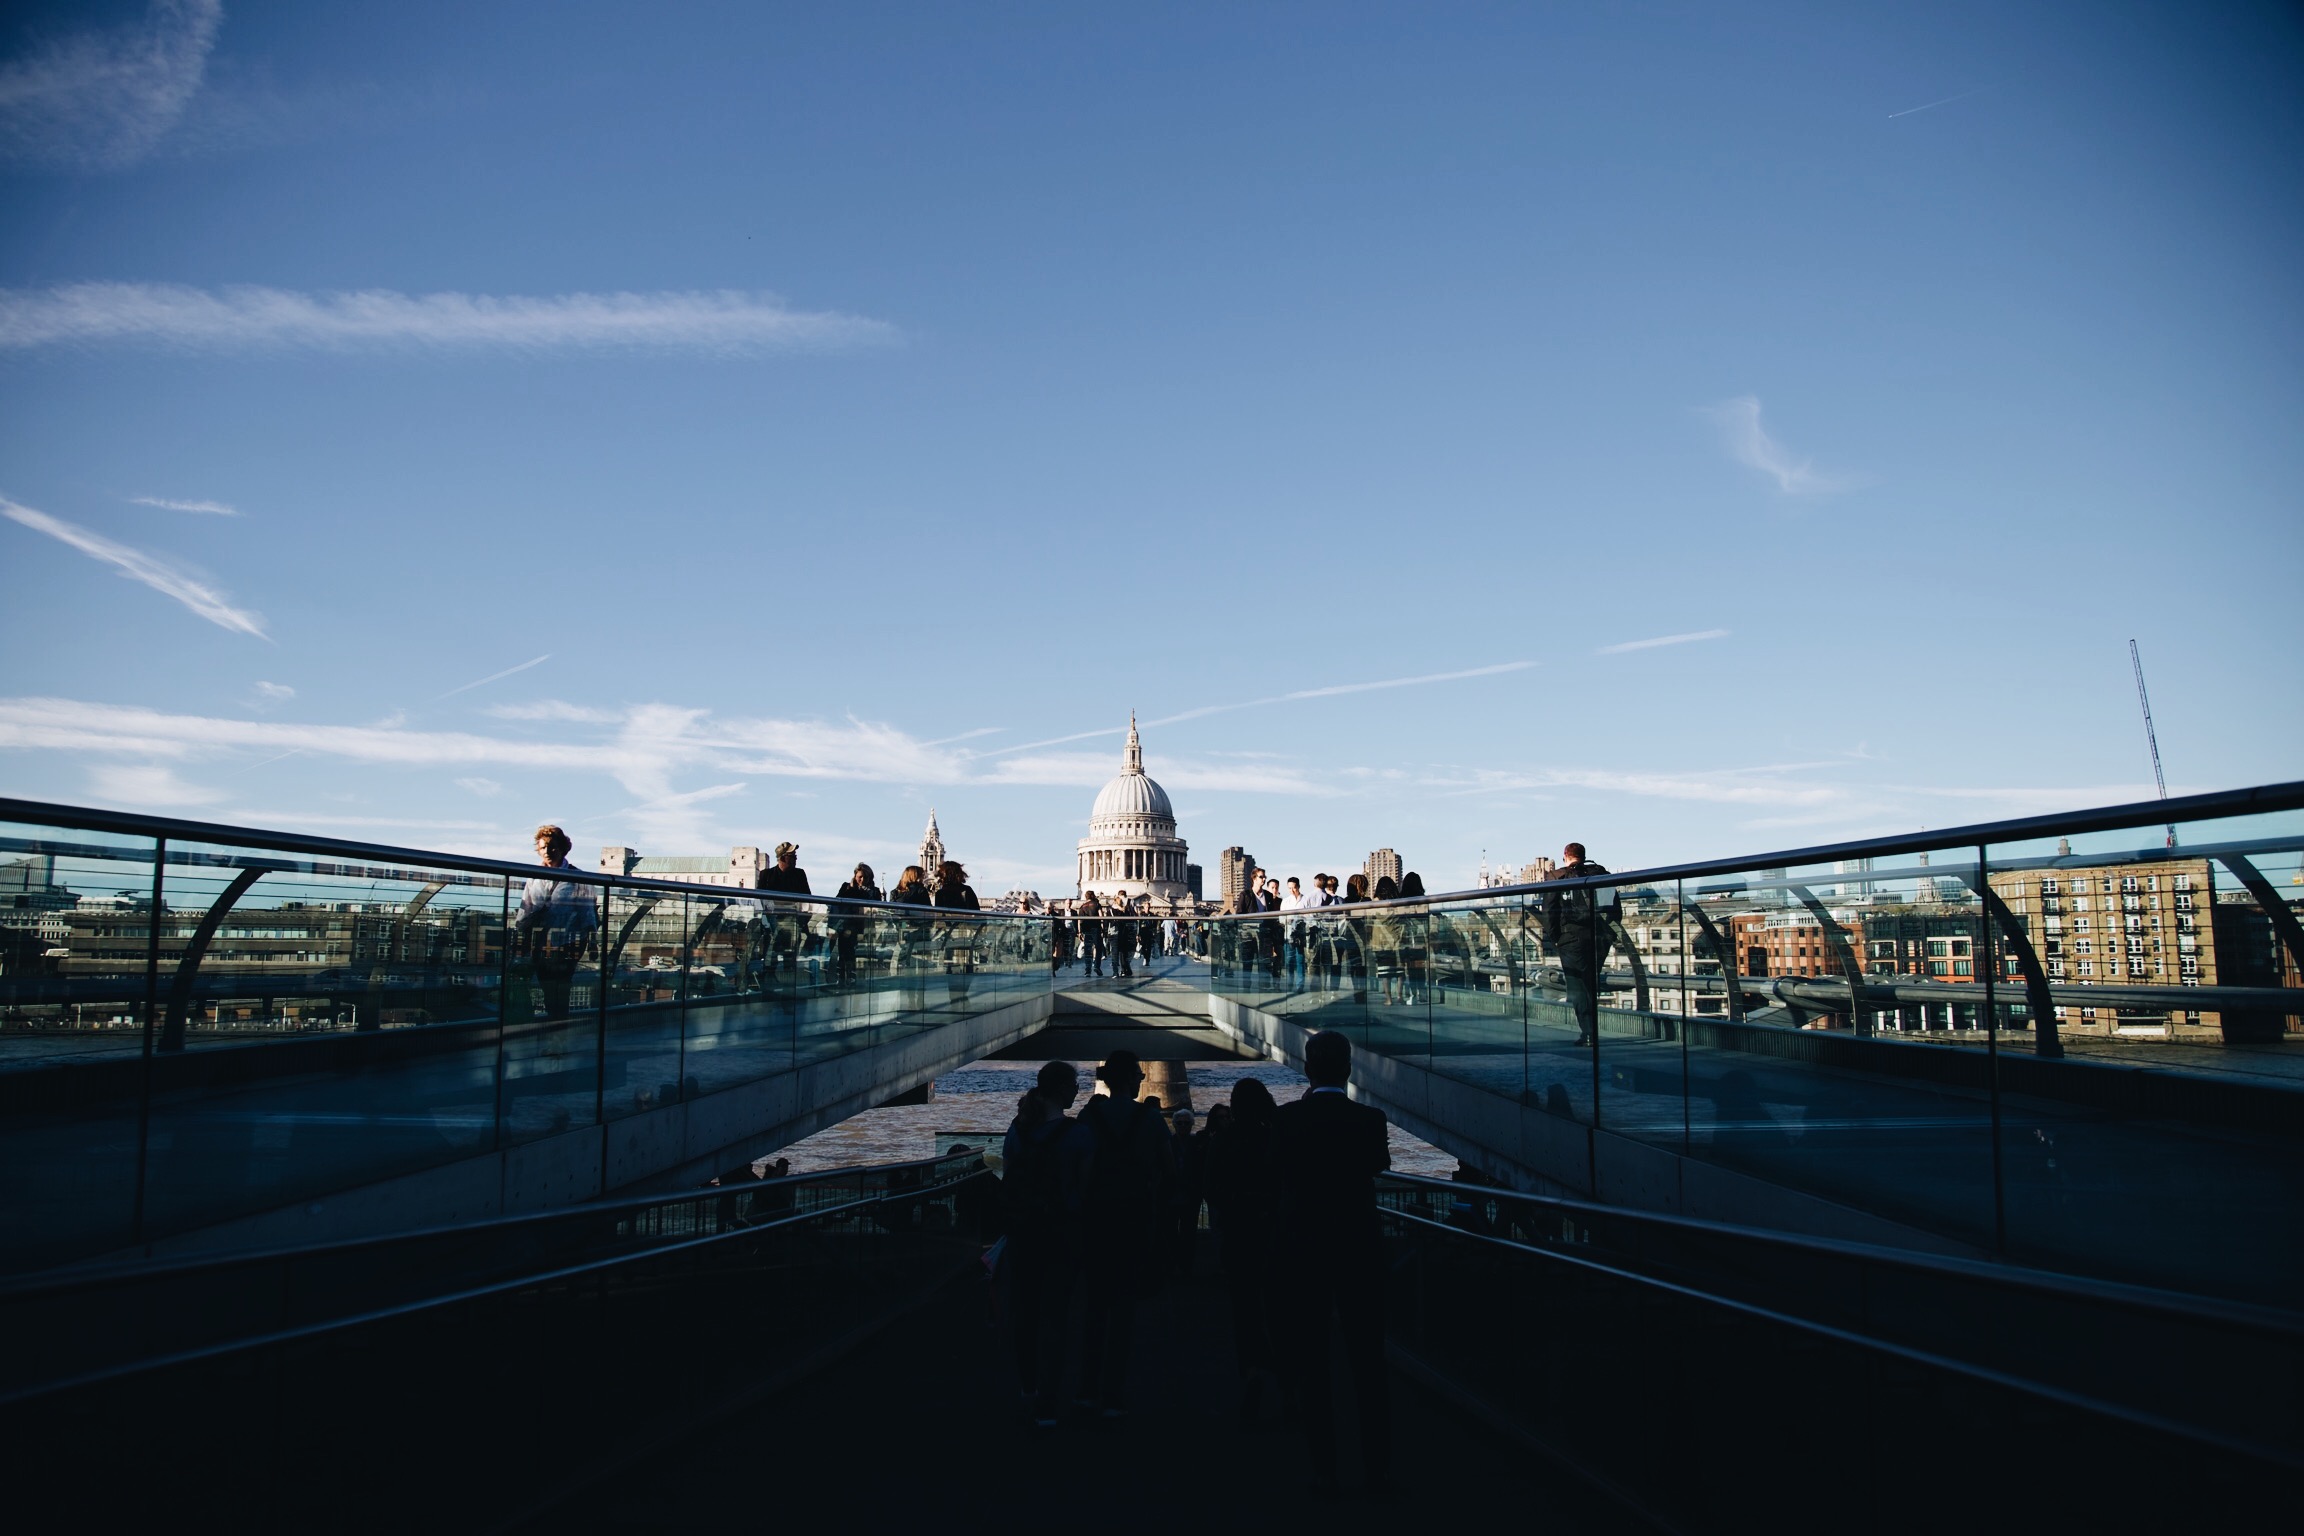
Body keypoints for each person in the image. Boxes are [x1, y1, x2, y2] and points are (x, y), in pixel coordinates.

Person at [1275, 1031, 1393, 1495]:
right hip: (1358, 1246)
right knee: (1368, 1361)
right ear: (1349, 1070)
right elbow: (1378, 1164)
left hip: (1304, 1247)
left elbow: (1278, 1169)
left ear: (1307, 1070)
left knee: (1313, 1360)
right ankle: (1377, 1468)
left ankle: (1324, 1468)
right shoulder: (1370, 1119)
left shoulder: (1287, 1121)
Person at [1062, 1050, 1175, 1416]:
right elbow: (1170, 1170)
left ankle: (1085, 1389)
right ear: (1133, 1079)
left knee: (1094, 1307)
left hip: (1095, 1220)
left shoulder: (1089, 1117)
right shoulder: (1151, 1120)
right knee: (1124, 1310)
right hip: (1134, 1219)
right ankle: (1113, 1395)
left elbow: (1074, 1166)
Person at [1003, 1060, 1081, 1427]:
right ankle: (1049, 1399)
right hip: (1061, 1235)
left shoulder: (1015, 1132)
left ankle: (1027, 1390)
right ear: (1062, 1088)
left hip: (1022, 1235)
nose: (1078, 1090)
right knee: (1055, 1317)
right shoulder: (1076, 1134)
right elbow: (1086, 1188)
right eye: (1075, 1083)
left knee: (1025, 1316)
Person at [1207, 1077, 1280, 1415]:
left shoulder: (1222, 1140)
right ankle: (1286, 1379)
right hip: (1274, 1233)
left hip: (1238, 1234)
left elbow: (1212, 1188)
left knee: (1245, 1310)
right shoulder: (1275, 1137)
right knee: (1280, 1306)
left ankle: (1251, 1370)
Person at [513, 824, 598, 1021]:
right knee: (546, 987)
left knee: (560, 988)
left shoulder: (577, 877)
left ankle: (558, 1031)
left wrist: (593, 944)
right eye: (543, 848)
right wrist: (519, 937)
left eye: (552, 847)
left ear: (562, 848)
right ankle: (556, 1031)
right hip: (540, 942)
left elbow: (587, 914)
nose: (547, 852)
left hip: (567, 943)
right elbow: (525, 907)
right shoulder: (534, 876)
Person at [1541, 842, 1616, 1047]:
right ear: (1583, 856)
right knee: (1591, 984)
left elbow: (1548, 911)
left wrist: (1556, 938)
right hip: (1599, 937)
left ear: (1566, 855)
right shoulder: (1601, 874)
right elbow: (1614, 909)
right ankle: (1592, 1032)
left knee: (1577, 987)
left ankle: (1589, 1034)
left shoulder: (1557, 877)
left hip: (1571, 937)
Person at [834, 862, 881, 985]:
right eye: (860, 877)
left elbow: (876, 908)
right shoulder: (847, 887)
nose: (862, 880)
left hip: (863, 926)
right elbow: (838, 903)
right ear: (855, 876)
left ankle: (852, 975)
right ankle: (843, 975)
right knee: (844, 950)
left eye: (866, 877)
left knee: (853, 950)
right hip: (846, 925)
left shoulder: (874, 891)